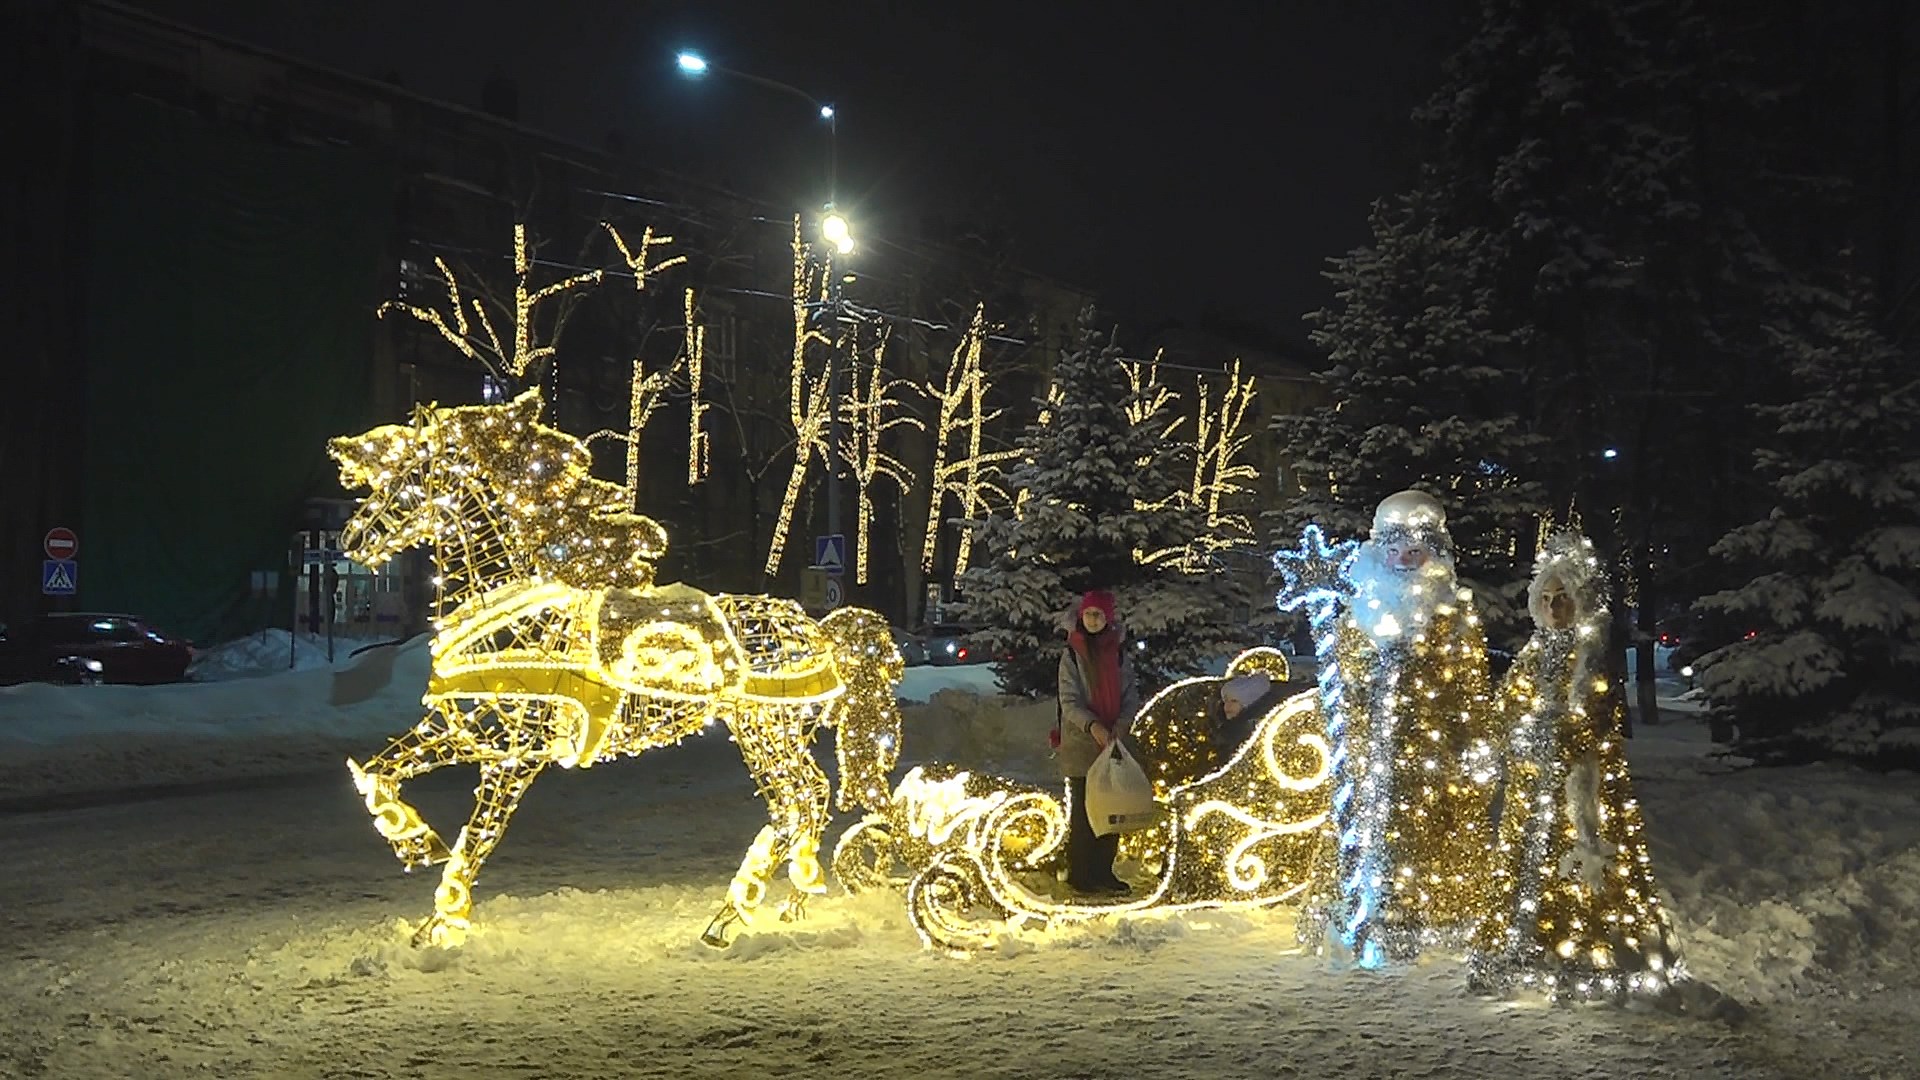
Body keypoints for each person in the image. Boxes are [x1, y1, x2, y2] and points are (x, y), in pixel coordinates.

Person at [1467, 531, 1683, 1000]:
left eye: (1562, 598)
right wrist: (1506, 735)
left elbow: (1593, 719)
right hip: (1532, 784)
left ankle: (1591, 948)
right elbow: (1508, 708)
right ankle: (1527, 944)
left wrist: (1552, 733)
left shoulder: (1592, 658)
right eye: (1545, 599)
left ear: (1578, 600)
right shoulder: (1531, 656)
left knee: (1583, 861)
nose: (1554, 608)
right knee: (1526, 863)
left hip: (1582, 786)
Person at [1295, 490, 1503, 966]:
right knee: (1364, 834)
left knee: (1424, 838)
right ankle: (1353, 912)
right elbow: (1343, 680)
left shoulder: (1453, 615)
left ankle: (1424, 920)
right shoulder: (1358, 616)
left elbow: (1470, 687)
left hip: (1431, 757)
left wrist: (1474, 743)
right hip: (1369, 754)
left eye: (1416, 552)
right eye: (1396, 551)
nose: (1404, 561)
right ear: (1380, 551)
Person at [1055, 589, 1141, 895]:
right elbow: (1069, 700)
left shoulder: (1117, 654)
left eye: (1099, 615)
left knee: (1111, 810)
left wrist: (1120, 725)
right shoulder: (1072, 655)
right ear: (1082, 616)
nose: (1093, 620)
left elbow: (1130, 695)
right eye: (1089, 614)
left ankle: (1103, 872)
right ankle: (1081, 873)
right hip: (1082, 744)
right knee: (1083, 813)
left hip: (1113, 742)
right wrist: (1092, 727)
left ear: (1108, 618)